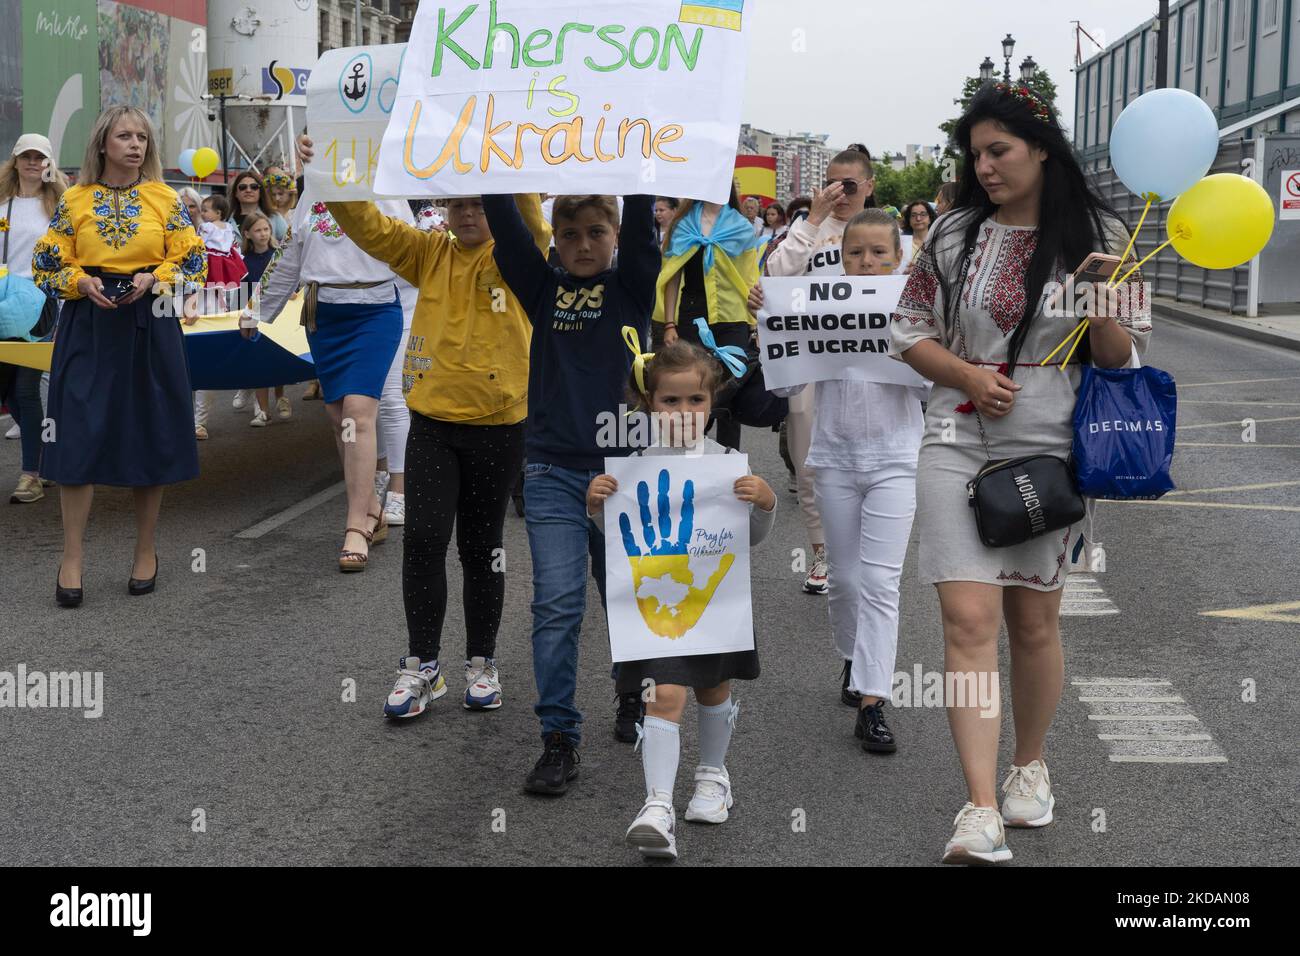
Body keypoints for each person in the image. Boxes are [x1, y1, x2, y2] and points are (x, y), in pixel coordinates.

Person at [890, 82, 1151, 865]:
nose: (986, 166)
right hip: (955, 437)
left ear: (1042, 147)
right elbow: (906, 328)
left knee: (1032, 622)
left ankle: (1028, 767)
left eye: (998, 150)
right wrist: (968, 378)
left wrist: (1104, 299)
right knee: (967, 622)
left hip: (1053, 448)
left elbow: (1121, 357)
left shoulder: (1102, 232)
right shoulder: (954, 232)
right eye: (976, 155)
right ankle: (978, 809)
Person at [298, 134, 546, 712]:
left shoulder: (521, 255)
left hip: (501, 423)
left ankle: (481, 663)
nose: (466, 212)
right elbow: (366, 224)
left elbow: (530, 217)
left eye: (479, 203)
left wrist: (504, 151)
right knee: (424, 544)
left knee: (482, 549)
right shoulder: (427, 252)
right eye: (456, 203)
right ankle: (423, 667)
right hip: (432, 423)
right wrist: (331, 168)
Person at [479, 191, 658, 793]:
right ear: (554, 239)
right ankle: (559, 738)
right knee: (556, 605)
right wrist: (489, 164)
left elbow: (641, 229)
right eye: (570, 234)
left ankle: (631, 692)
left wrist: (641, 164)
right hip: (552, 472)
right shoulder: (540, 287)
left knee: (626, 600)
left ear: (614, 236)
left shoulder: (634, 284)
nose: (583, 245)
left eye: (596, 233)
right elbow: (505, 226)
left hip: (625, 472)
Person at [586, 338, 776, 862]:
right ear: (649, 406)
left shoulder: (728, 464)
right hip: (656, 604)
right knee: (662, 694)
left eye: (695, 401)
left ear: (711, 403)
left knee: (714, 689)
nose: (684, 412)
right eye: (671, 401)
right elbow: (617, 543)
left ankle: (713, 776)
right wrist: (597, 504)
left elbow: (753, 538)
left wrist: (766, 500)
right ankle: (658, 806)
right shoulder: (632, 467)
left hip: (715, 602)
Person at [752, 208, 925, 754]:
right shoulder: (819, 308)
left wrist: (921, 338)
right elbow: (784, 388)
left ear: (898, 260)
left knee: (880, 582)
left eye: (878, 253)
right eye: (856, 253)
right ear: (839, 258)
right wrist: (770, 321)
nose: (867, 263)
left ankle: (874, 699)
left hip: (897, 458)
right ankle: (855, 654)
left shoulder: (915, 310)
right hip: (834, 459)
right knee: (846, 580)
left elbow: (929, 387)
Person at [32, 105, 207, 607]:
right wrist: (79, 281)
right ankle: (71, 557)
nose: (136, 145)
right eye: (125, 136)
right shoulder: (75, 200)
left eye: (143, 137)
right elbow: (45, 263)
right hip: (88, 323)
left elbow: (193, 257)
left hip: (150, 320)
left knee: (148, 429)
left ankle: (146, 550)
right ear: (103, 143)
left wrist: (157, 278)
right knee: (76, 432)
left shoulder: (165, 198)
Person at [243, 180, 407, 573]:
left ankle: (356, 526)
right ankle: (371, 508)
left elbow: (411, 249)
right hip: (325, 317)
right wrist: (257, 309)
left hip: (375, 311)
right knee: (338, 419)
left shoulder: (384, 186)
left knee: (357, 414)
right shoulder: (312, 194)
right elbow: (290, 259)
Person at [764, 144, 877, 601]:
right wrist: (812, 219)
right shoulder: (807, 228)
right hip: (811, 360)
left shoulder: (883, 230)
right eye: (831, 184)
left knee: (870, 463)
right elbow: (776, 274)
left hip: (869, 363)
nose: (840, 193)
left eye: (849, 185)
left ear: (869, 186)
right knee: (810, 463)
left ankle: (865, 554)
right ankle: (821, 554)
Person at [654, 185, 763, 450]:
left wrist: (757, 323)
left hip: (733, 316)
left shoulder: (740, 226)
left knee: (730, 385)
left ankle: (728, 458)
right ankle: (688, 451)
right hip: (690, 316)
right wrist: (669, 323)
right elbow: (673, 275)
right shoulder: (683, 224)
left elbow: (750, 277)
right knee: (691, 383)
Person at [0, 133, 68, 504]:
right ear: (14, 160)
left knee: (26, 387)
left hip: (41, 303)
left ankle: (31, 475)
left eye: (38, 157)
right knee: (8, 391)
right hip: (3, 301)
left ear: (48, 163)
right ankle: (49, 453)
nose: (31, 162)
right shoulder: (2, 202)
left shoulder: (58, 205)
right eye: (25, 156)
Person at [240, 211, 290, 428]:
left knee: (277, 360)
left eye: (266, 229)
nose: (262, 234)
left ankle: (281, 397)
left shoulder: (279, 254)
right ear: (247, 234)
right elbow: (242, 291)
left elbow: (290, 279)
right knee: (260, 363)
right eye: (258, 230)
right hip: (256, 315)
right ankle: (263, 411)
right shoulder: (244, 261)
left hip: (279, 314)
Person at [260, 165, 293, 242]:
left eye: (282, 178)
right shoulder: (260, 214)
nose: (279, 182)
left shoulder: (297, 213)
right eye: (274, 178)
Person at [901, 199, 936, 272]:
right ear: (909, 220)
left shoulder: (938, 242)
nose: (918, 219)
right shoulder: (902, 243)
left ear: (930, 218)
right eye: (913, 215)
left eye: (923, 214)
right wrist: (904, 270)